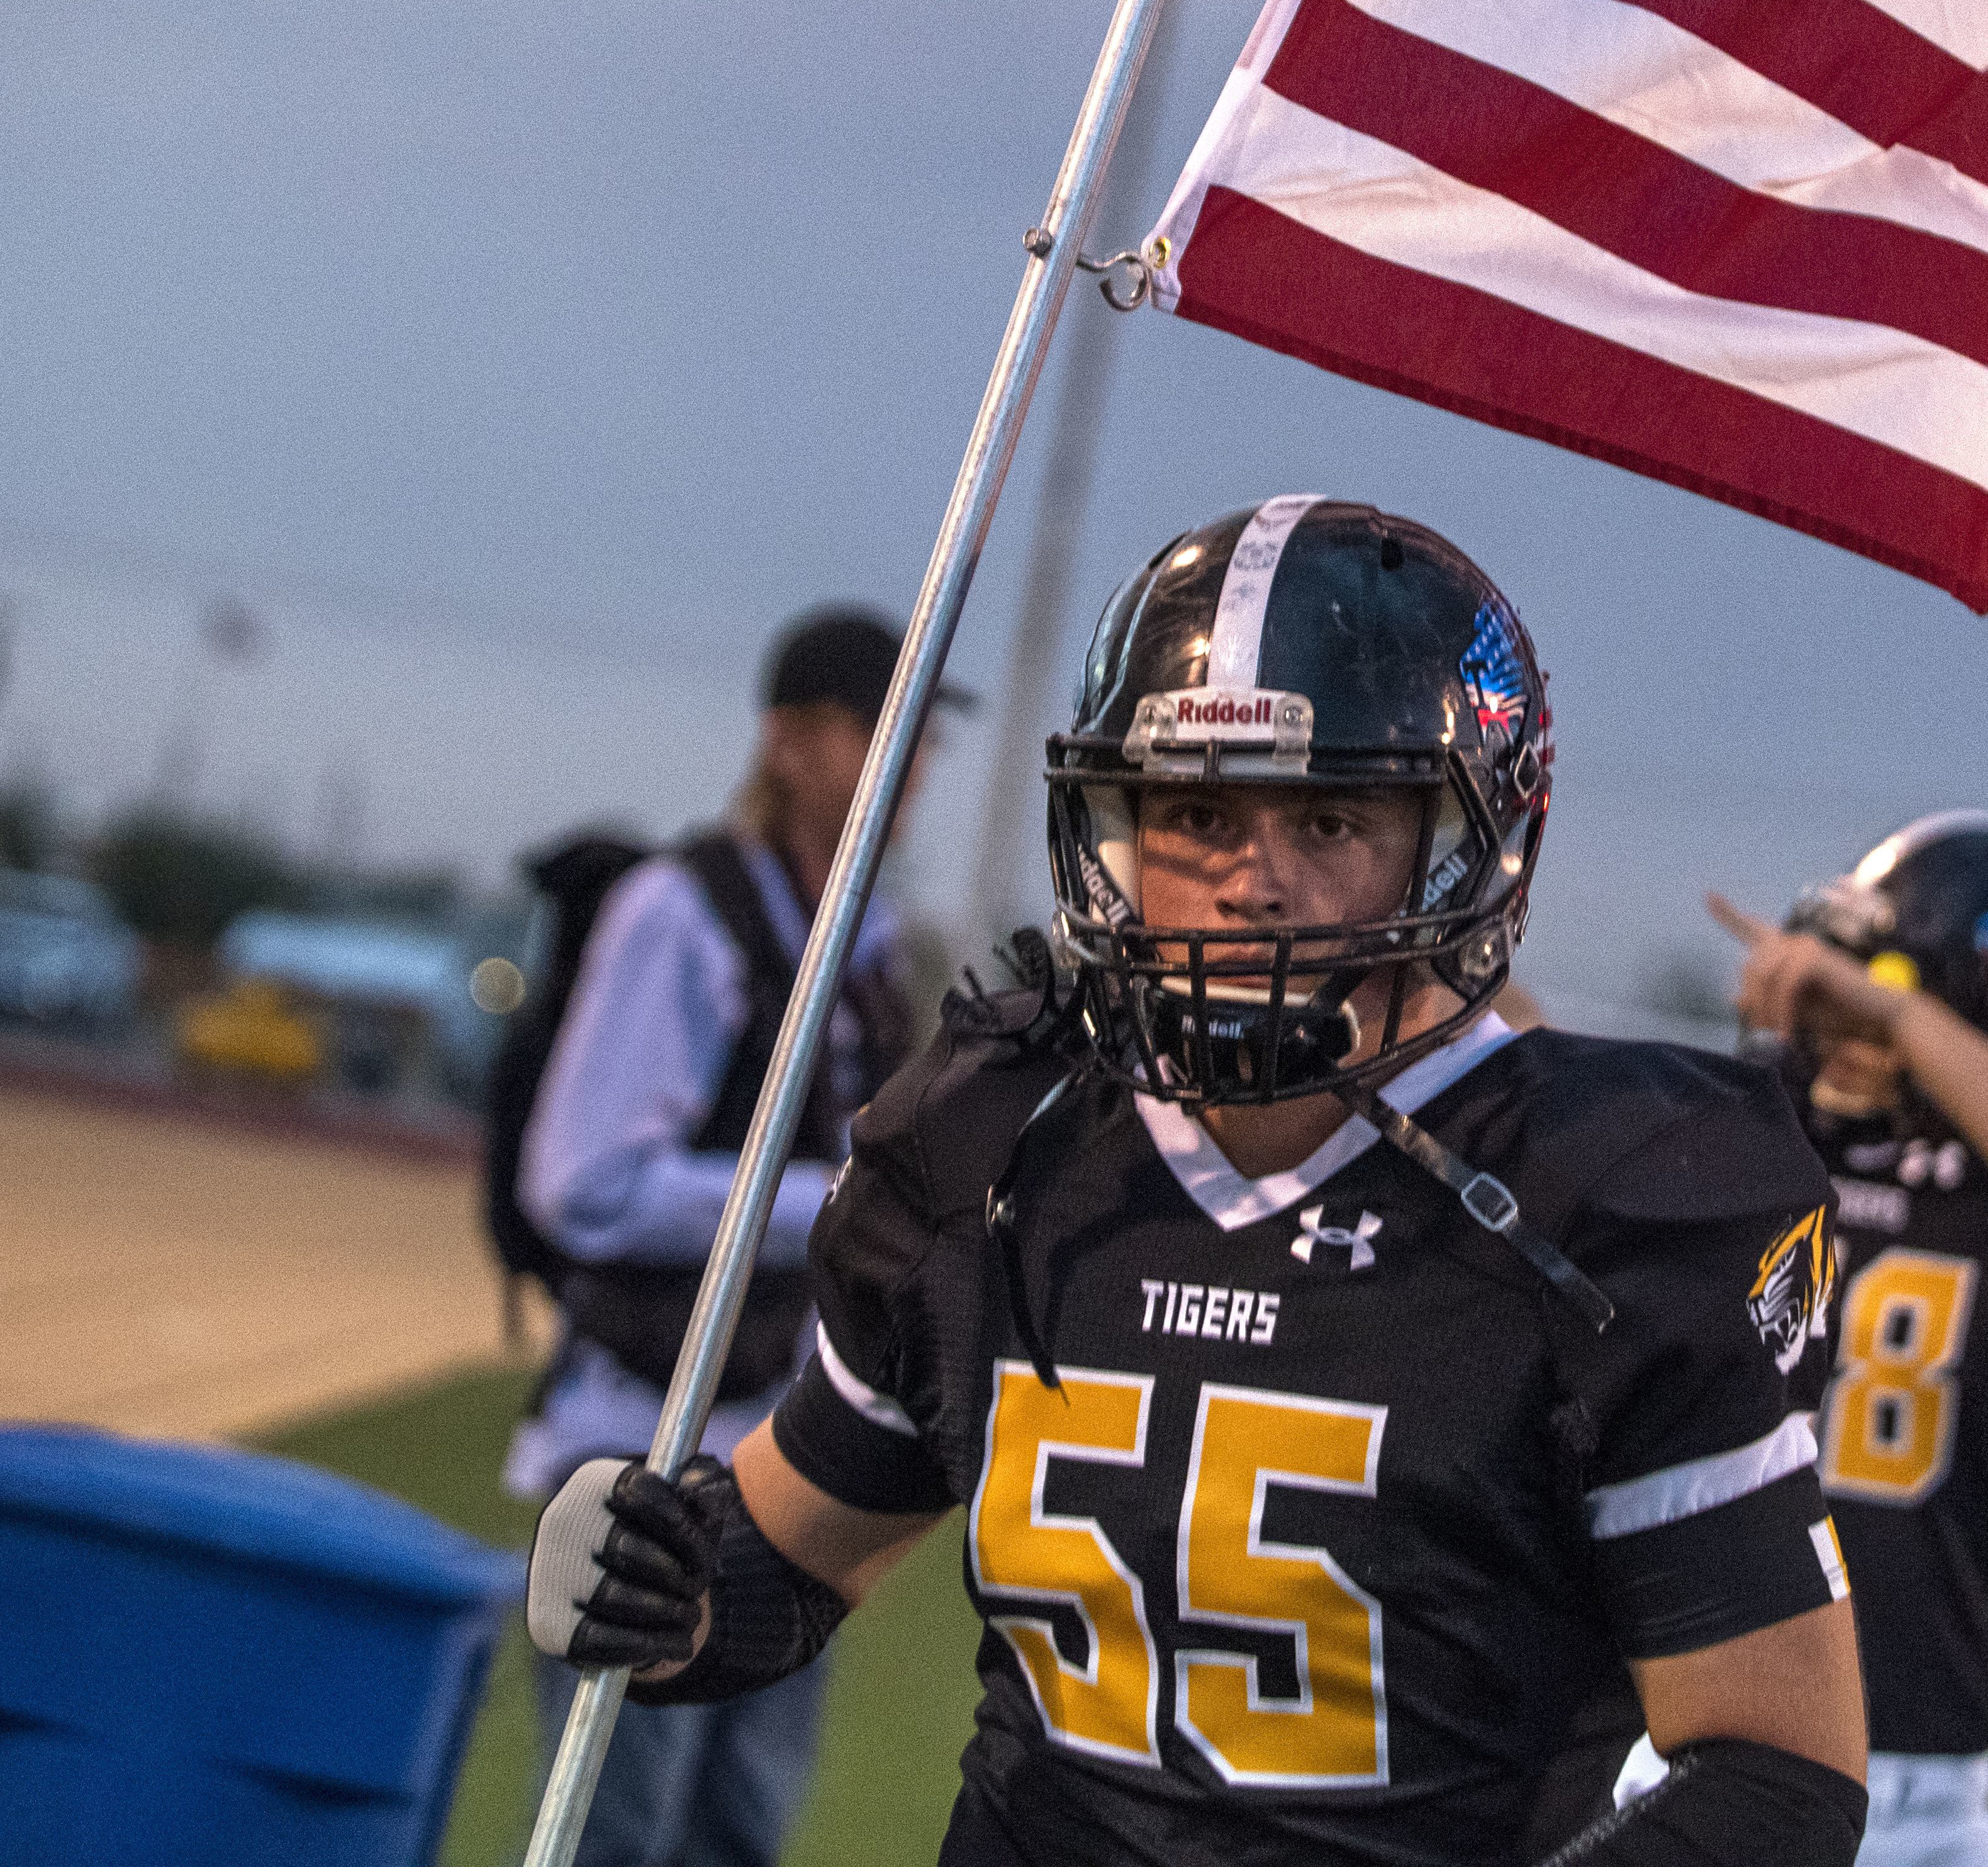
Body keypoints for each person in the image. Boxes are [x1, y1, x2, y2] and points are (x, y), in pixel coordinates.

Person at [526, 497, 1872, 1867]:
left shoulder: (1595, 1200)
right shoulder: (1001, 1144)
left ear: (1469, 841)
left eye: (1330, 817)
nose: (1249, 882)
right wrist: (665, 1586)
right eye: (1196, 811)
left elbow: (1774, 1774)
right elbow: (794, 1555)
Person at [1653, 817, 1988, 1867]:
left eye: (1873, 991)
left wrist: (1898, 1020)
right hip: (1672, 1735)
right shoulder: (1762, 1132)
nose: (1833, 1021)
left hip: (1908, 1784)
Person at [502, 605, 949, 1867]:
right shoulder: (679, 912)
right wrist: (840, 1200)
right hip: (640, 1446)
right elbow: (581, 1181)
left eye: (920, 736)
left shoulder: (864, 944)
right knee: (610, 1833)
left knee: (736, 1833)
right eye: (879, 727)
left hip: (786, 1467)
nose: (909, 761)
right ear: (789, 741)